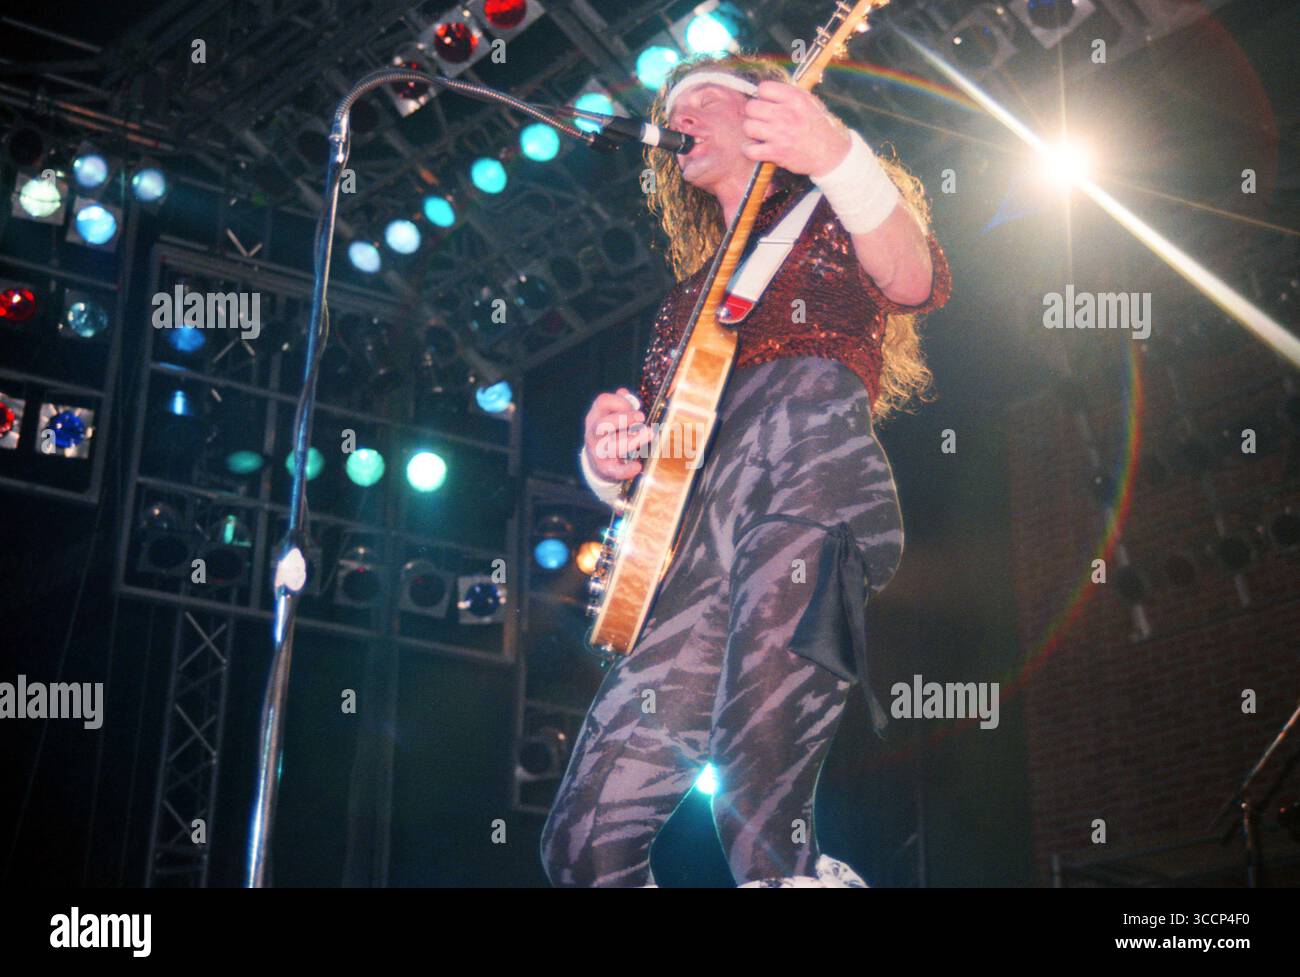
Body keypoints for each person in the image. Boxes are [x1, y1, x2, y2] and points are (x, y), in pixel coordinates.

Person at [540, 54, 952, 887]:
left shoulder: (834, 209)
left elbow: (914, 277)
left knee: (758, 807)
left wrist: (834, 151)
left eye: (702, 98)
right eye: (670, 106)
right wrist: (607, 464)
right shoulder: (680, 304)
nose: (677, 117)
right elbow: (669, 465)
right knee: (583, 841)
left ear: (768, 108)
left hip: (811, 482)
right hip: (698, 545)